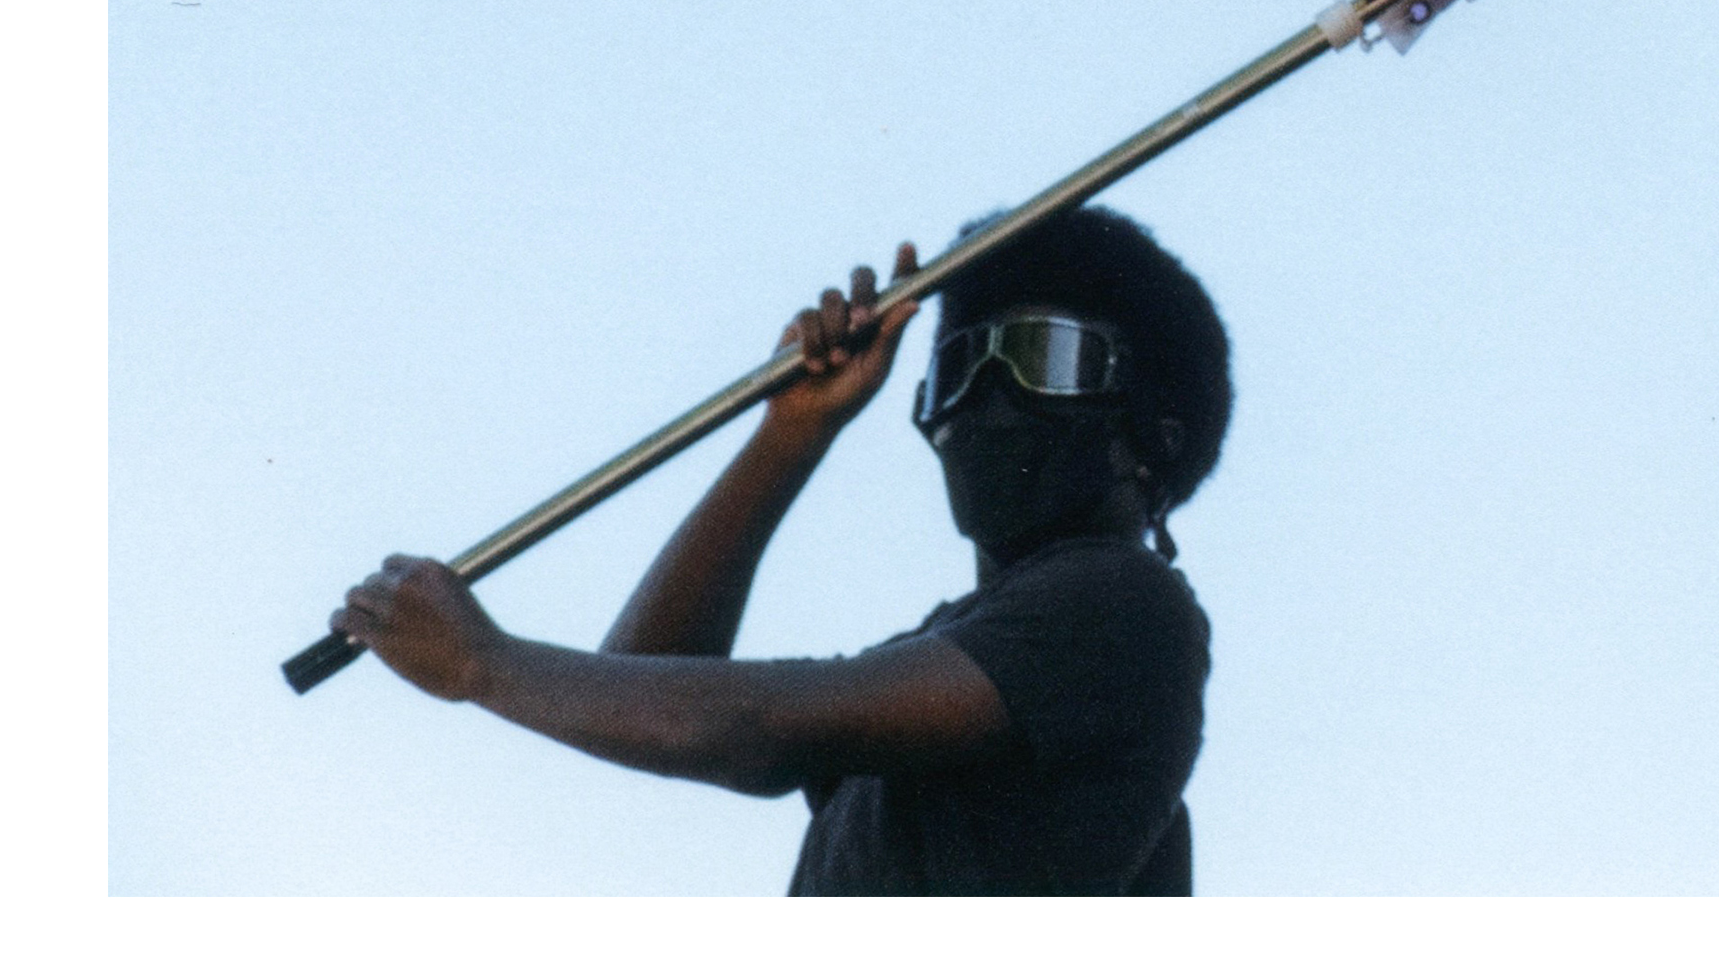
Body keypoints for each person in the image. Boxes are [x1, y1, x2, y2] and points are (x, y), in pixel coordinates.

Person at [330, 202, 1232, 894]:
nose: (988, 392)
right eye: (960, 363)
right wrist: (790, 434)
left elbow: (747, 728)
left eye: (1040, 354)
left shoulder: (1122, 606)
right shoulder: (964, 649)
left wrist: (482, 664)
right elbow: (651, 672)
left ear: (1153, 435)